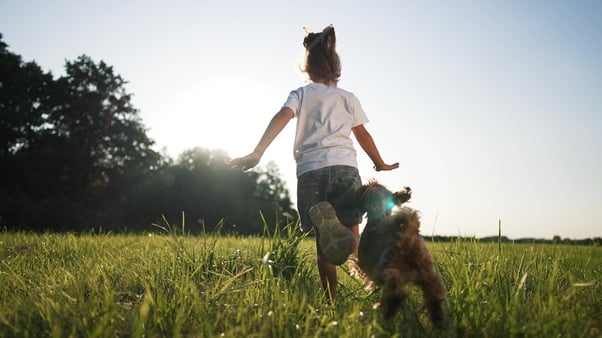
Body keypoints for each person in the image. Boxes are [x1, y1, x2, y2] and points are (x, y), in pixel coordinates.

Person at [229, 25, 399, 302]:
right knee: (351, 234)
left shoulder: (301, 94)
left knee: (324, 245)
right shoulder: (348, 97)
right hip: (345, 168)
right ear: (336, 66)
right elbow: (363, 134)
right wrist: (380, 163)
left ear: (307, 67)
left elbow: (282, 116)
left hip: (311, 171)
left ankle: (331, 301)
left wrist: (258, 151)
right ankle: (360, 254)